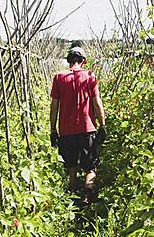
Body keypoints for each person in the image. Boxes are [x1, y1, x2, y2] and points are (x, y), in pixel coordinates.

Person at [50, 47, 106, 203]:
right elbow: (96, 103)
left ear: (69, 61)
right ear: (84, 61)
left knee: (71, 165)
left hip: (66, 131)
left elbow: (54, 106)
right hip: (87, 128)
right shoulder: (89, 76)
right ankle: (88, 193)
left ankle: (72, 195)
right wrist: (102, 125)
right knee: (91, 165)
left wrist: (53, 130)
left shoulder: (59, 78)